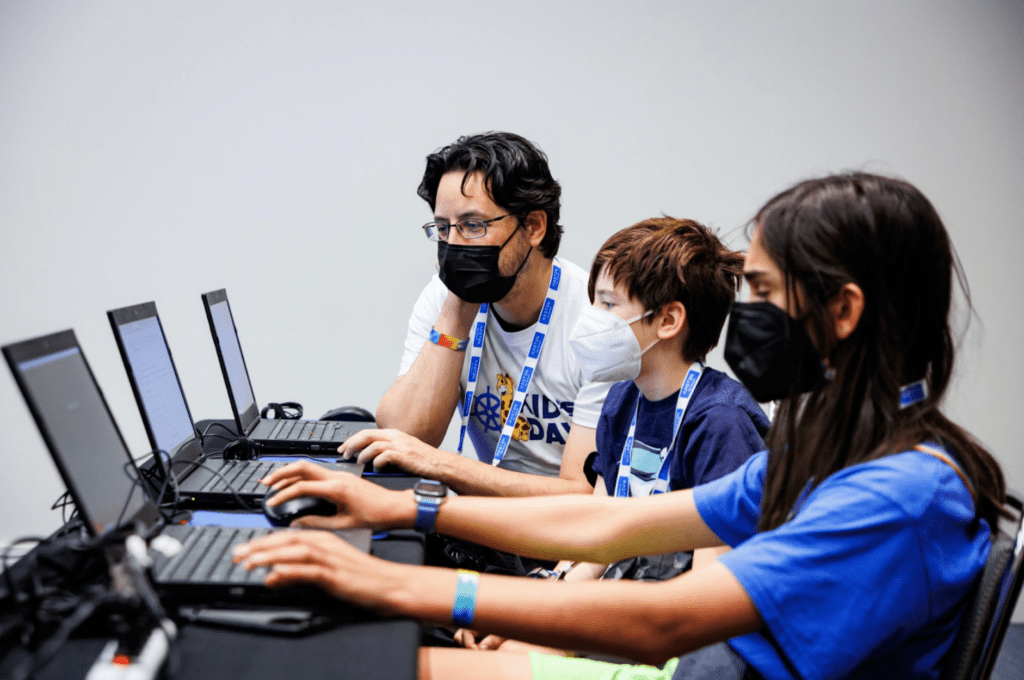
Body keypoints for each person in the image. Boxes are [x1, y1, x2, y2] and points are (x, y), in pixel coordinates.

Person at [234, 172, 1006, 680]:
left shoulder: (900, 492)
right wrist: (408, 506)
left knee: (384, 660)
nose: (749, 316)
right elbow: (608, 524)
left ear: (843, 310)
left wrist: (408, 584)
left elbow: (663, 622)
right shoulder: (836, 449)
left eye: (766, 291)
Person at [455, 217, 771, 655]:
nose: (590, 319)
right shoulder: (622, 399)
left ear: (668, 320)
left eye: (607, 303)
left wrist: (557, 629)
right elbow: (596, 542)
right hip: (623, 604)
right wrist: (533, 612)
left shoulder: (721, 423)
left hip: (682, 639)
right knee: (492, 647)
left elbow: (705, 605)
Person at [355, 131, 610, 497]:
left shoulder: (594, 323)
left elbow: (582, 496)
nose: (454, 244)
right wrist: (457, 313)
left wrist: (445, 466)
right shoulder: (444, 301)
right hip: (488, 526)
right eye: (443, 228)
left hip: (571, 537)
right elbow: (402, 439)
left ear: (534, 226)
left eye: (473, 226)